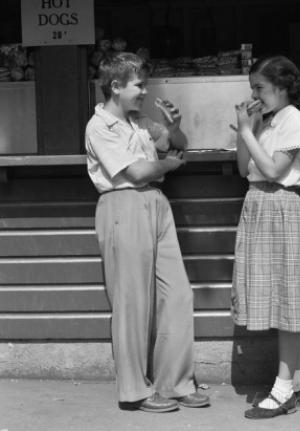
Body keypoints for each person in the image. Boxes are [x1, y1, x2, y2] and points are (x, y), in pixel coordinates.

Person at [85, 52, 209, 413]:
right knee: (132, 303)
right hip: (123, 205)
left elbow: (177, 143)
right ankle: (135, 390)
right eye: (139, 84)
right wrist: (169, 165)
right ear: (116, 85)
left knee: (178, 295)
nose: (143, 91)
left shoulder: (139, 122)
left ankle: (175, 382)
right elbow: (138, 172)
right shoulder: (100, 126)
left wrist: (174, 126)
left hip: (156, 204)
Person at [231, 55, 300, 419]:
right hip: (260, 207)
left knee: (287, 301)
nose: (254, 94)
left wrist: (244, 131)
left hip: (281, 207)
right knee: (275, 299)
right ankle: (299, 382)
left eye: (260, 87)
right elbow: (245, 168)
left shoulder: (294, 121)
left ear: (282, 86)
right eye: (252, 87)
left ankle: (284, 389)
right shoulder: (267, 121)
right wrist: (249, 129)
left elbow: (273, 169)